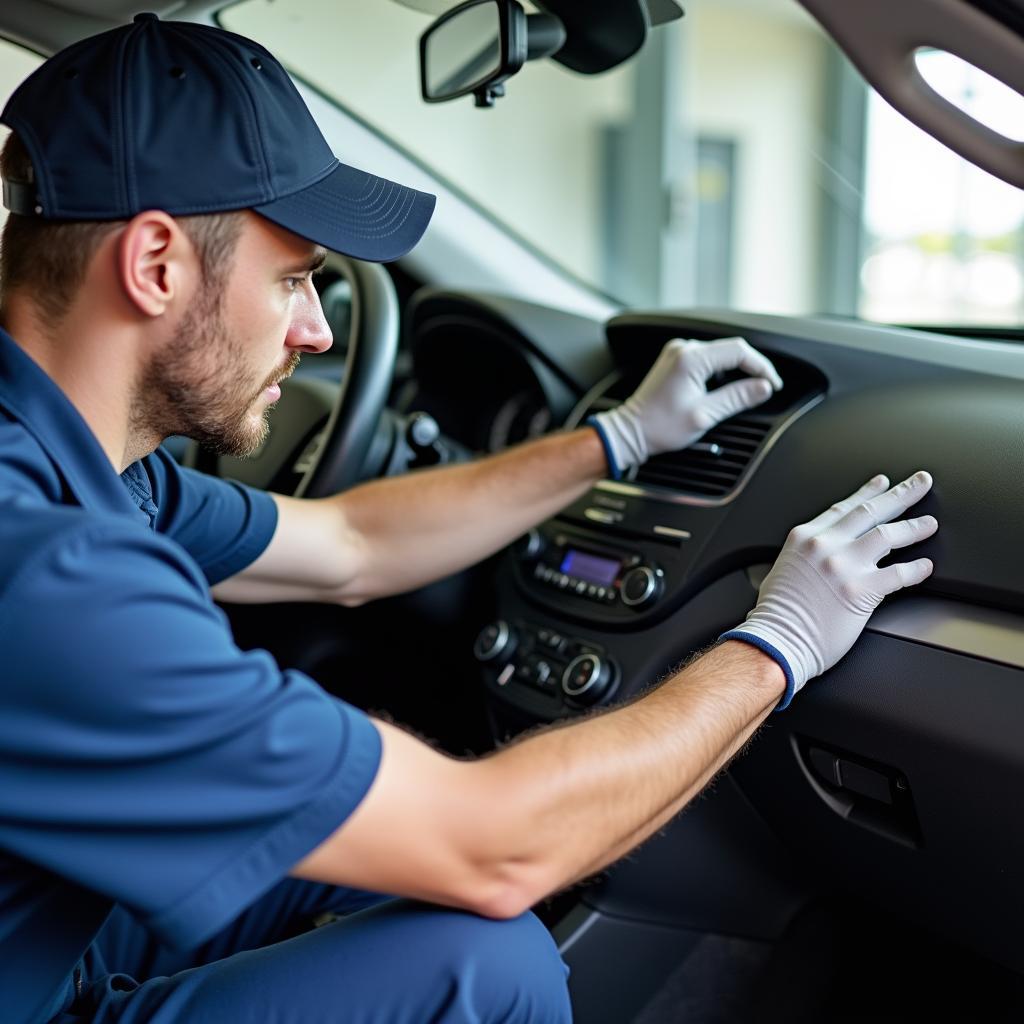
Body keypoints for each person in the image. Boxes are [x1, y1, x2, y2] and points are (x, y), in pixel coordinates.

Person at [0, 14, 938, 1024]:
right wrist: (778, 643)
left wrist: (613, 440)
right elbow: (494, 848)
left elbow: (352, 544)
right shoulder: (47, 565)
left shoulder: (86, 465)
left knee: (392, 872)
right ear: (154, 266)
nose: (317, 330)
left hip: (51, 940)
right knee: (483, 959)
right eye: (292, 278)